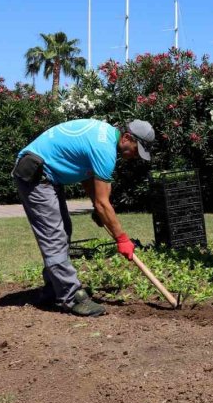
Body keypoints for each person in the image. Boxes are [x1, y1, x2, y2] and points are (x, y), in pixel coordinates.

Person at [12, 119, 155, 317]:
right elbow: (103, 203)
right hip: (35, 174)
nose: (134, 156)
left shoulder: (104, 136)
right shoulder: (105, 149)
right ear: (127, 137)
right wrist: (122, 239)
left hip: (47, 176)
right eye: (135, 150)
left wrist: (98, 211)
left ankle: (54, 288)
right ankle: (70, 297)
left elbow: (87, 178)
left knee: (63, 230)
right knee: (55, 237)